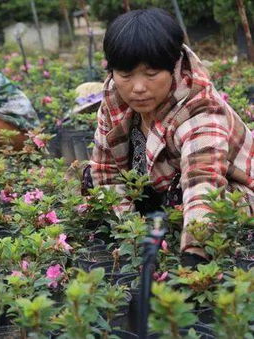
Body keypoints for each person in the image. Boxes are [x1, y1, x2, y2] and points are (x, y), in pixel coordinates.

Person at [83, 8, 254, 266]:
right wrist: (131, 233)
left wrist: (195, 254)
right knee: (91, 178)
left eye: (151, 74)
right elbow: (105, 167)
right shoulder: (113, 96)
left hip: (229, 193)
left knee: (179, 199)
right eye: (126, 75)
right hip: (157, 188)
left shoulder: (200, 108)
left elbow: (202, 181)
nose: (138, 88)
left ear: (174, 65)